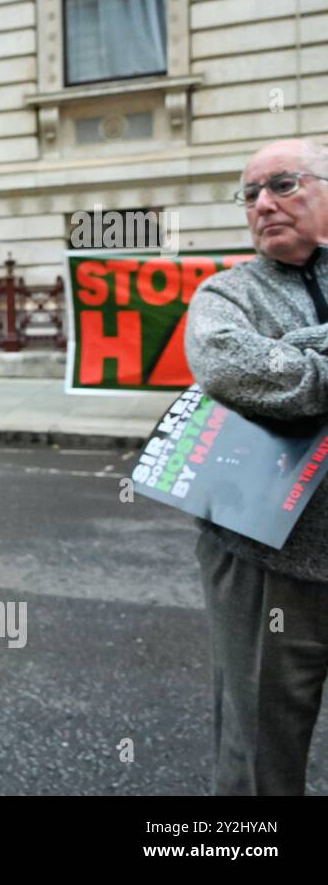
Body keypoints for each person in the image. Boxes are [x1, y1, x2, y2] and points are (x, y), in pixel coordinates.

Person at [184, 137, 328, 795]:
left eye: (282, 185)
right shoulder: (228, 292)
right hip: (264, 560)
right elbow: (228, 364)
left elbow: (274, 369)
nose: (263, 203)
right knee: (259, 749)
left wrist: (294, 353)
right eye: (250, 194)